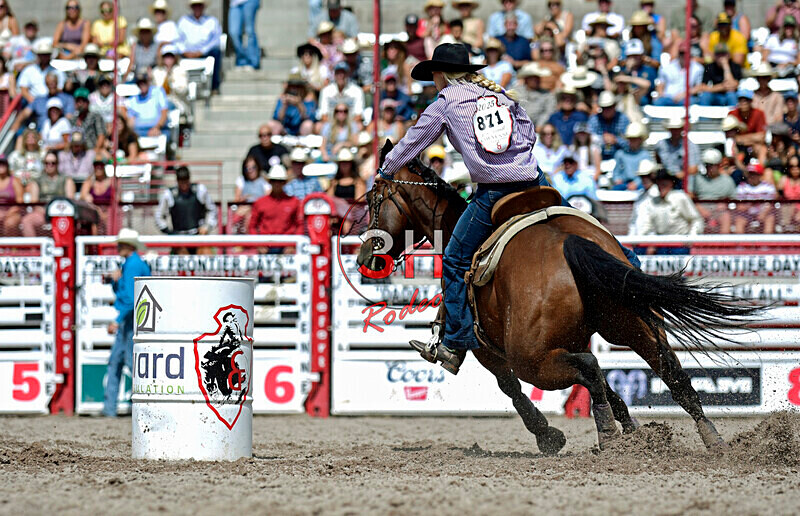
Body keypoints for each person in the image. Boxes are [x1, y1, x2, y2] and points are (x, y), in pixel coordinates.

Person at [377, 43, 640, 374]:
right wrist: (511, 159)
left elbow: (412, 143)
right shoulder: (499, 96)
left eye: (433, 76)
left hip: (494, 193)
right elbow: (528, 133)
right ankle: (631, 266)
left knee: (456, 260)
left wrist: (386, 170)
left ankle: (454, 342)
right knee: (586, 226)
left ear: (441, 75)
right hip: (534, 181)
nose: (433, 82)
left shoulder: (444, 103)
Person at [102, 228, 151, 417]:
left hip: (129, 320)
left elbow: (130, 299)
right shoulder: (133, 264)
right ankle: (112, 410)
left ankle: (113, 409)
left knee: (126, 363)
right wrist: (116, 282)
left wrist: (117, 320)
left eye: (120, 244)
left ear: (128, 246)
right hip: (133, 319)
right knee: (122, 363)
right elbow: (128, 296)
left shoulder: (131, 265)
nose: (117, 247)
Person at [637, 168, 704, 239]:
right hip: (660, 243)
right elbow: (646, 225)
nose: (661, 185)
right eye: (659, 182)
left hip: (680, 243)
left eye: (664, 183)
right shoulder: (652, 202)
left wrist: (691, 238)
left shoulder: (680, 198)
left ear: (671, 183)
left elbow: (696, 219)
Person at [21, 151, 76, 236]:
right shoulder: (37, 181)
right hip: (42, 212)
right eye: (47, 163)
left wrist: (56, 211)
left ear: (57, 164)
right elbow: (34, 202)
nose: (49, 165)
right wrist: (47, 211)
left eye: (53, 163)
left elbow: (70, 200)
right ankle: (34, 249)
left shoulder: (66, 180)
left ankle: (66, 248)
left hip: (62, 213)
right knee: (26, 221)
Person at [155, 166, 217, 236]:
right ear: (177, 181)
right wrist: (169, 231)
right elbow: (159, 216)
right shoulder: (169, 194)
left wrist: (207, 227)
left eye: (186, 181)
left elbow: (212, 209)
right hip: (178, 237)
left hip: (199, 235)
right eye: (181, 182)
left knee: (207, 247)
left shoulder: (200, 190)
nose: (184, 185)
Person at [177, 0, 222, 93]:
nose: (197, 8)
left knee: (216, 53)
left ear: (203, 7)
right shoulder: (183, 21)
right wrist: (184, 51)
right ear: (191, 7)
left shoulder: (212, 21)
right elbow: (177, 39)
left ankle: (214, 86)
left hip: (205, 53)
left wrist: (202, 51)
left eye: (199, 5)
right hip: (186, 53)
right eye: (195, 5)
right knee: (171, 54)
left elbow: (216, 40)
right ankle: (179, 86)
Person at [248, 164, 304, 236]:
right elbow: (252, 226)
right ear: (270, 182)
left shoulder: (294, 202)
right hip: (265, 242)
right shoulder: (260, 202)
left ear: (284, 183)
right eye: (274, 181)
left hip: (287, 242)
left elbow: (300, 225)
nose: (277, 184)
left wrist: (292, 245)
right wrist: (259, 245)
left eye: (280, 181)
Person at [690, 148, 735, 233]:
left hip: (719, 210)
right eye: (707, 165)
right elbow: (691, 196)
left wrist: (725, 204)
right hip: (700, 209)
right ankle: (697, 245)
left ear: (719, 165)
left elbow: (733, 200)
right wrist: (699, 208)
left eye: (712, 165)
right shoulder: (697, 178)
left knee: (726, 217)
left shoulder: (727, 180)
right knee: (695, 221)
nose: (709, 167)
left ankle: (724, 244)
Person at [17, 39, 65, 104]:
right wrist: (34, 103)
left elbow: (59, 89)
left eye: (46, 54)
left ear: (50, 55)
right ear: (38, 55)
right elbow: (23, 90)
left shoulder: (58, 72)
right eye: (42, 54)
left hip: (52, 102)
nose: (44, 57)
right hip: (33, 102)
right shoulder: (29, 70)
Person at [729, 89, 769, 166]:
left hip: (753, 145)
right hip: (738, 146)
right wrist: (751, 138)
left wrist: (741, 139)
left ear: (751, 102)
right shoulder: (732, 114)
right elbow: (731, 137)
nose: (743, 103)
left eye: (746, 100)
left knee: (762, 149)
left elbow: (761, 137)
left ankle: (760, 172)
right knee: (734, 149)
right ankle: (742, 172)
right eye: (741, 100)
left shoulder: (759, 113)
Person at [734, 162, 777, 233]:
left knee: (770, 218)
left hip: (763, 213)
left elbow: (771, 204)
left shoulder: (768, 187)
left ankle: (766, 243)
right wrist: (749, 206)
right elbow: (739, 206)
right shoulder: (742, 187)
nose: (752, 176)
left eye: (754, 174)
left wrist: (763, 213)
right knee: (739, 220)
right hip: (747, 214)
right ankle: (740, 243)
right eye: (750, 174)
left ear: (760, 175)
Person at [588, 90, 630, 160]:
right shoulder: (594, 119)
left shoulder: (623, 119)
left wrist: (616, 140)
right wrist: (601, 139)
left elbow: (631, 143)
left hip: (619, 157)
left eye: (610, 107)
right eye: (604, 108)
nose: (607, 110)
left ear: (614, 106)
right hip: (598, 157)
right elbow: (588, 140)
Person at [516, 63, 556, 128]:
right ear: (526, 80)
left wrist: (540, 125)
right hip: (517, 126)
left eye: (537, 78)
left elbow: (549, 112)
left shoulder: (547, 95)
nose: (535, 80)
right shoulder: (516, 91)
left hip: (537, 128)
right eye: (532, 78)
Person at [611, 121, 649, 190]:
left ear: (640, 140)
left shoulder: (645, 155)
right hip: (623, 183)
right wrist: (617, 179)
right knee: (615, 190)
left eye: (635, 139)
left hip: (639, 184)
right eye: (630, 139)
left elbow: (646, 175)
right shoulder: (620, 154)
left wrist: (636, 183)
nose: (632, 141)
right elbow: (616, 171)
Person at [68, 87, 106, 155]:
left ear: (88, 102)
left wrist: (95, 151)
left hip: (91, 150)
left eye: (83, 101)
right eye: (78, 101)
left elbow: (101, 135)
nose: (80, 104)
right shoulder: (73, 119)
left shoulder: (95, 117)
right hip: (76, 153)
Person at [228, 0, 261, 71]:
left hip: (250, 1)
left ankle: (253, 62)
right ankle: (241, 61)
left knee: (249, 31)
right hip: (234, 3)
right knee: (234, 33)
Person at [0, 155, 23, 236]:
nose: (1, 166)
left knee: (10, 223)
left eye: (3, 163)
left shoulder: (14, 181)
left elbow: (20, 201)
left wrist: (7, 214)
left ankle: (11, 248)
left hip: (13, 212)